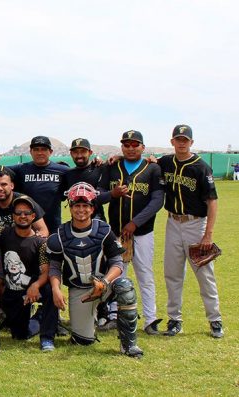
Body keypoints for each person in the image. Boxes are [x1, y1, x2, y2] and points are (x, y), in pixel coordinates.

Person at [47, 182, 143, 358]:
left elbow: (117, 263)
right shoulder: (60, 234)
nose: (81, 210)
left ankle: (129, 344)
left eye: (85, 206)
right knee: (83, 340)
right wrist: (55, 289)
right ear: (70, 207)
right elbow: (54, 266)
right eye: (77, 206)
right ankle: (90, 324)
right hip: (80, 291)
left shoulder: (104, 230)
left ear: (92, 209)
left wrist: (104, 282)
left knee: (125, 287)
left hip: (103, 285)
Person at [158, 125, 223, 338]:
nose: (182, 142)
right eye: (178, 139)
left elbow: (212, 202)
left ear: (192, 142)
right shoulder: (166, 162)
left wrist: (208, 234)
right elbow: (147, 164)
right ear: (172, 141)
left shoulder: (201, 167)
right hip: (173, 222)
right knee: (172, 273)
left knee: (205, 274)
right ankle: (174, 319)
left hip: (196, 224)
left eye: (185, 139)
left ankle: (215, 319)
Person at [105, 130, 164, 334]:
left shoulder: (153, 169)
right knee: (116, 275)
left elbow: (157, 201)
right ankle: (114, 316)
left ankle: (150, 319)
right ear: (122, 147)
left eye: (135, 145)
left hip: (142, 232)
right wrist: (111, 193)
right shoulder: (112, 167)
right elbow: (99, 195)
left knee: (144, 275)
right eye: (127, 145)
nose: (131, 148)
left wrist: (135, 223)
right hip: (115, 233)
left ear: (143, 147)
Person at [0, 196, 57, 351]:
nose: (23, 216)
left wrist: (36, 285)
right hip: (13, 291)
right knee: (20, 335)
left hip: (33, 286)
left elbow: (45, 271)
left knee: (50, 291)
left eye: (27, 213)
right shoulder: (2, 232)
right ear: (13, 216)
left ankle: (47, 337)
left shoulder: (40, 242)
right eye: (19, 213)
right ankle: (38, 318)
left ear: (33, 216)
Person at [10, 136, 69, 234]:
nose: (40, 153)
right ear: (31, 152)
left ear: (50, 151)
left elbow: (81, 173)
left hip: (53, 226)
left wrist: (96, 163)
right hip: (28, 226)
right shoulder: (22, 169)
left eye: (44, 149)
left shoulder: (62, 170)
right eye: (36, 149)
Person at [0, 169, 48, 238]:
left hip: (23, 243)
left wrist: (34, 241)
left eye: (4, 184)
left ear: (12, 186)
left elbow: (43, 230)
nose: (0, 188)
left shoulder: (26, 202)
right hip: (0, 246)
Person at [60, 138, 110, 221]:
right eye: (75, 152)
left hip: (97, 220)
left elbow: (120, 161)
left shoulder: (100, 168)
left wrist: (118, 156)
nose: (79, 155)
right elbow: (62, 197)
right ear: (71, 154)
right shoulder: (68, 174)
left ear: (90, 153)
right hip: (76, 222)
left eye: (83, 151)